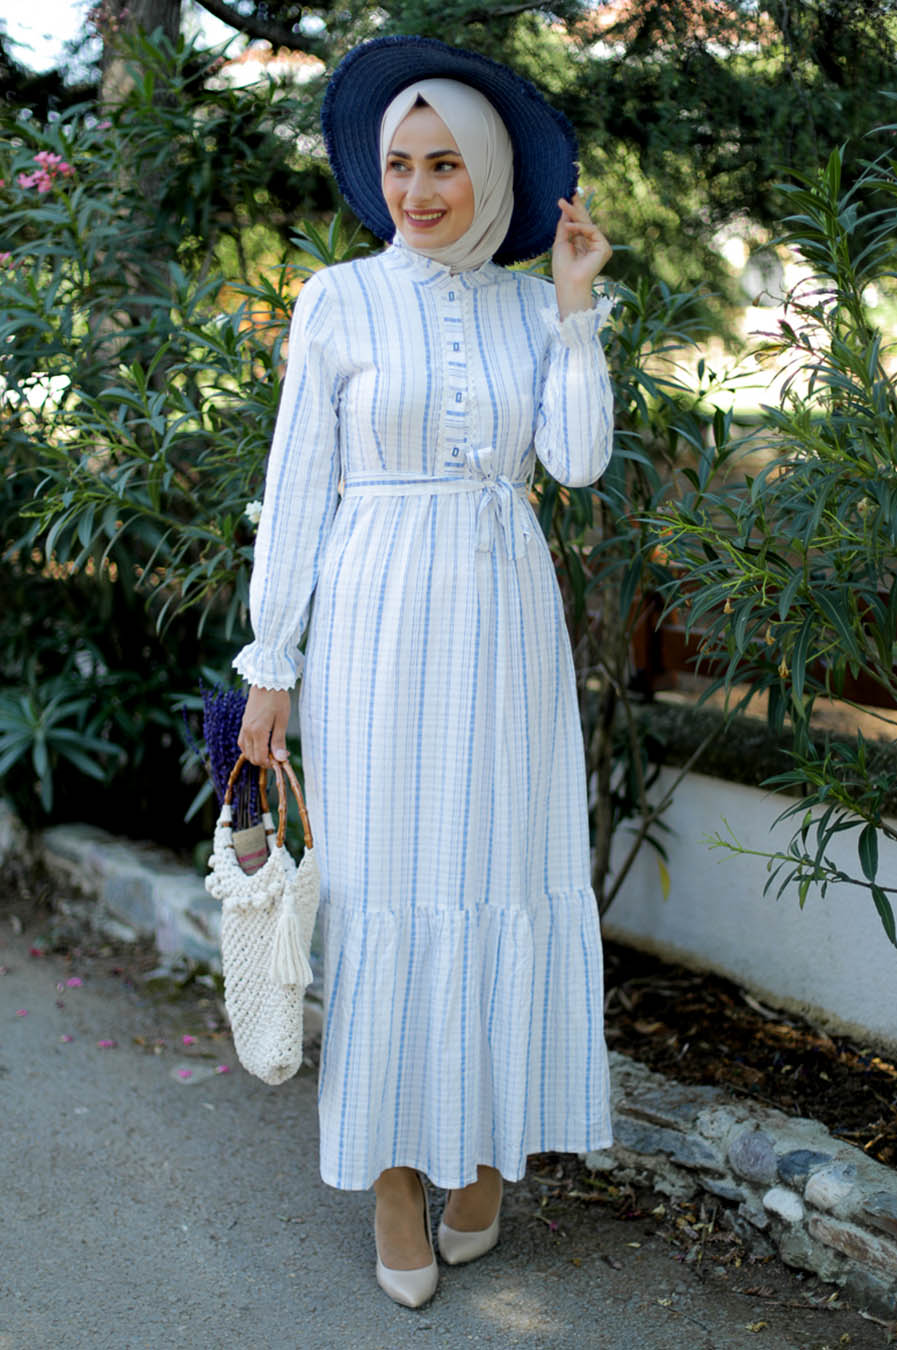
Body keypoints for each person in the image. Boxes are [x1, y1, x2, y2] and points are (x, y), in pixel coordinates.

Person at [235, 35, 615, 1309]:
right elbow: (295, 488)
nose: (417, 190)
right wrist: (272, 661)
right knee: (384, 888)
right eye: (398, 165)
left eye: (445, 164)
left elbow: (574, 465)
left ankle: (487, 1151)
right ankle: (396, 1177)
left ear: (489, 170)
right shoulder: (339, 299)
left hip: (504, 624)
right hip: (375, 624)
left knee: (496, 874)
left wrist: (572, 309)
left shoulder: (529, 302)